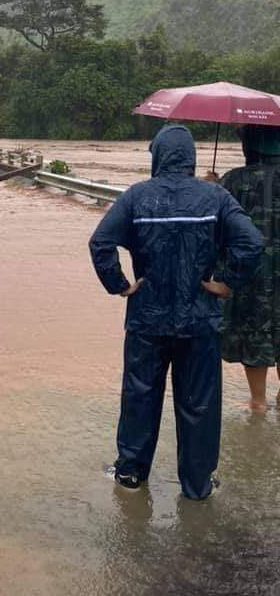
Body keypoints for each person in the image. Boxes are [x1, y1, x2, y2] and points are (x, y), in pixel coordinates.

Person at [89, 124, 264, 500]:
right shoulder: (214, 198)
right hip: (199, 320)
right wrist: (227, 282)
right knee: (199, 403)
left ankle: (131, 475)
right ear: (190, 157)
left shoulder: (137, 197)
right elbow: (251, 242)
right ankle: (197, 486)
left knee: (140, 395)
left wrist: (120, 285)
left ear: (158, 156)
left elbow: (101, 242)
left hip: (147, 321)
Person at [218, 124, 280, 412]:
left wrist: (212, 185)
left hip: (250, 280)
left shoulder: (232, 182)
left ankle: (258, 402)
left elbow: (214, 232)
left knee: (256, 334)